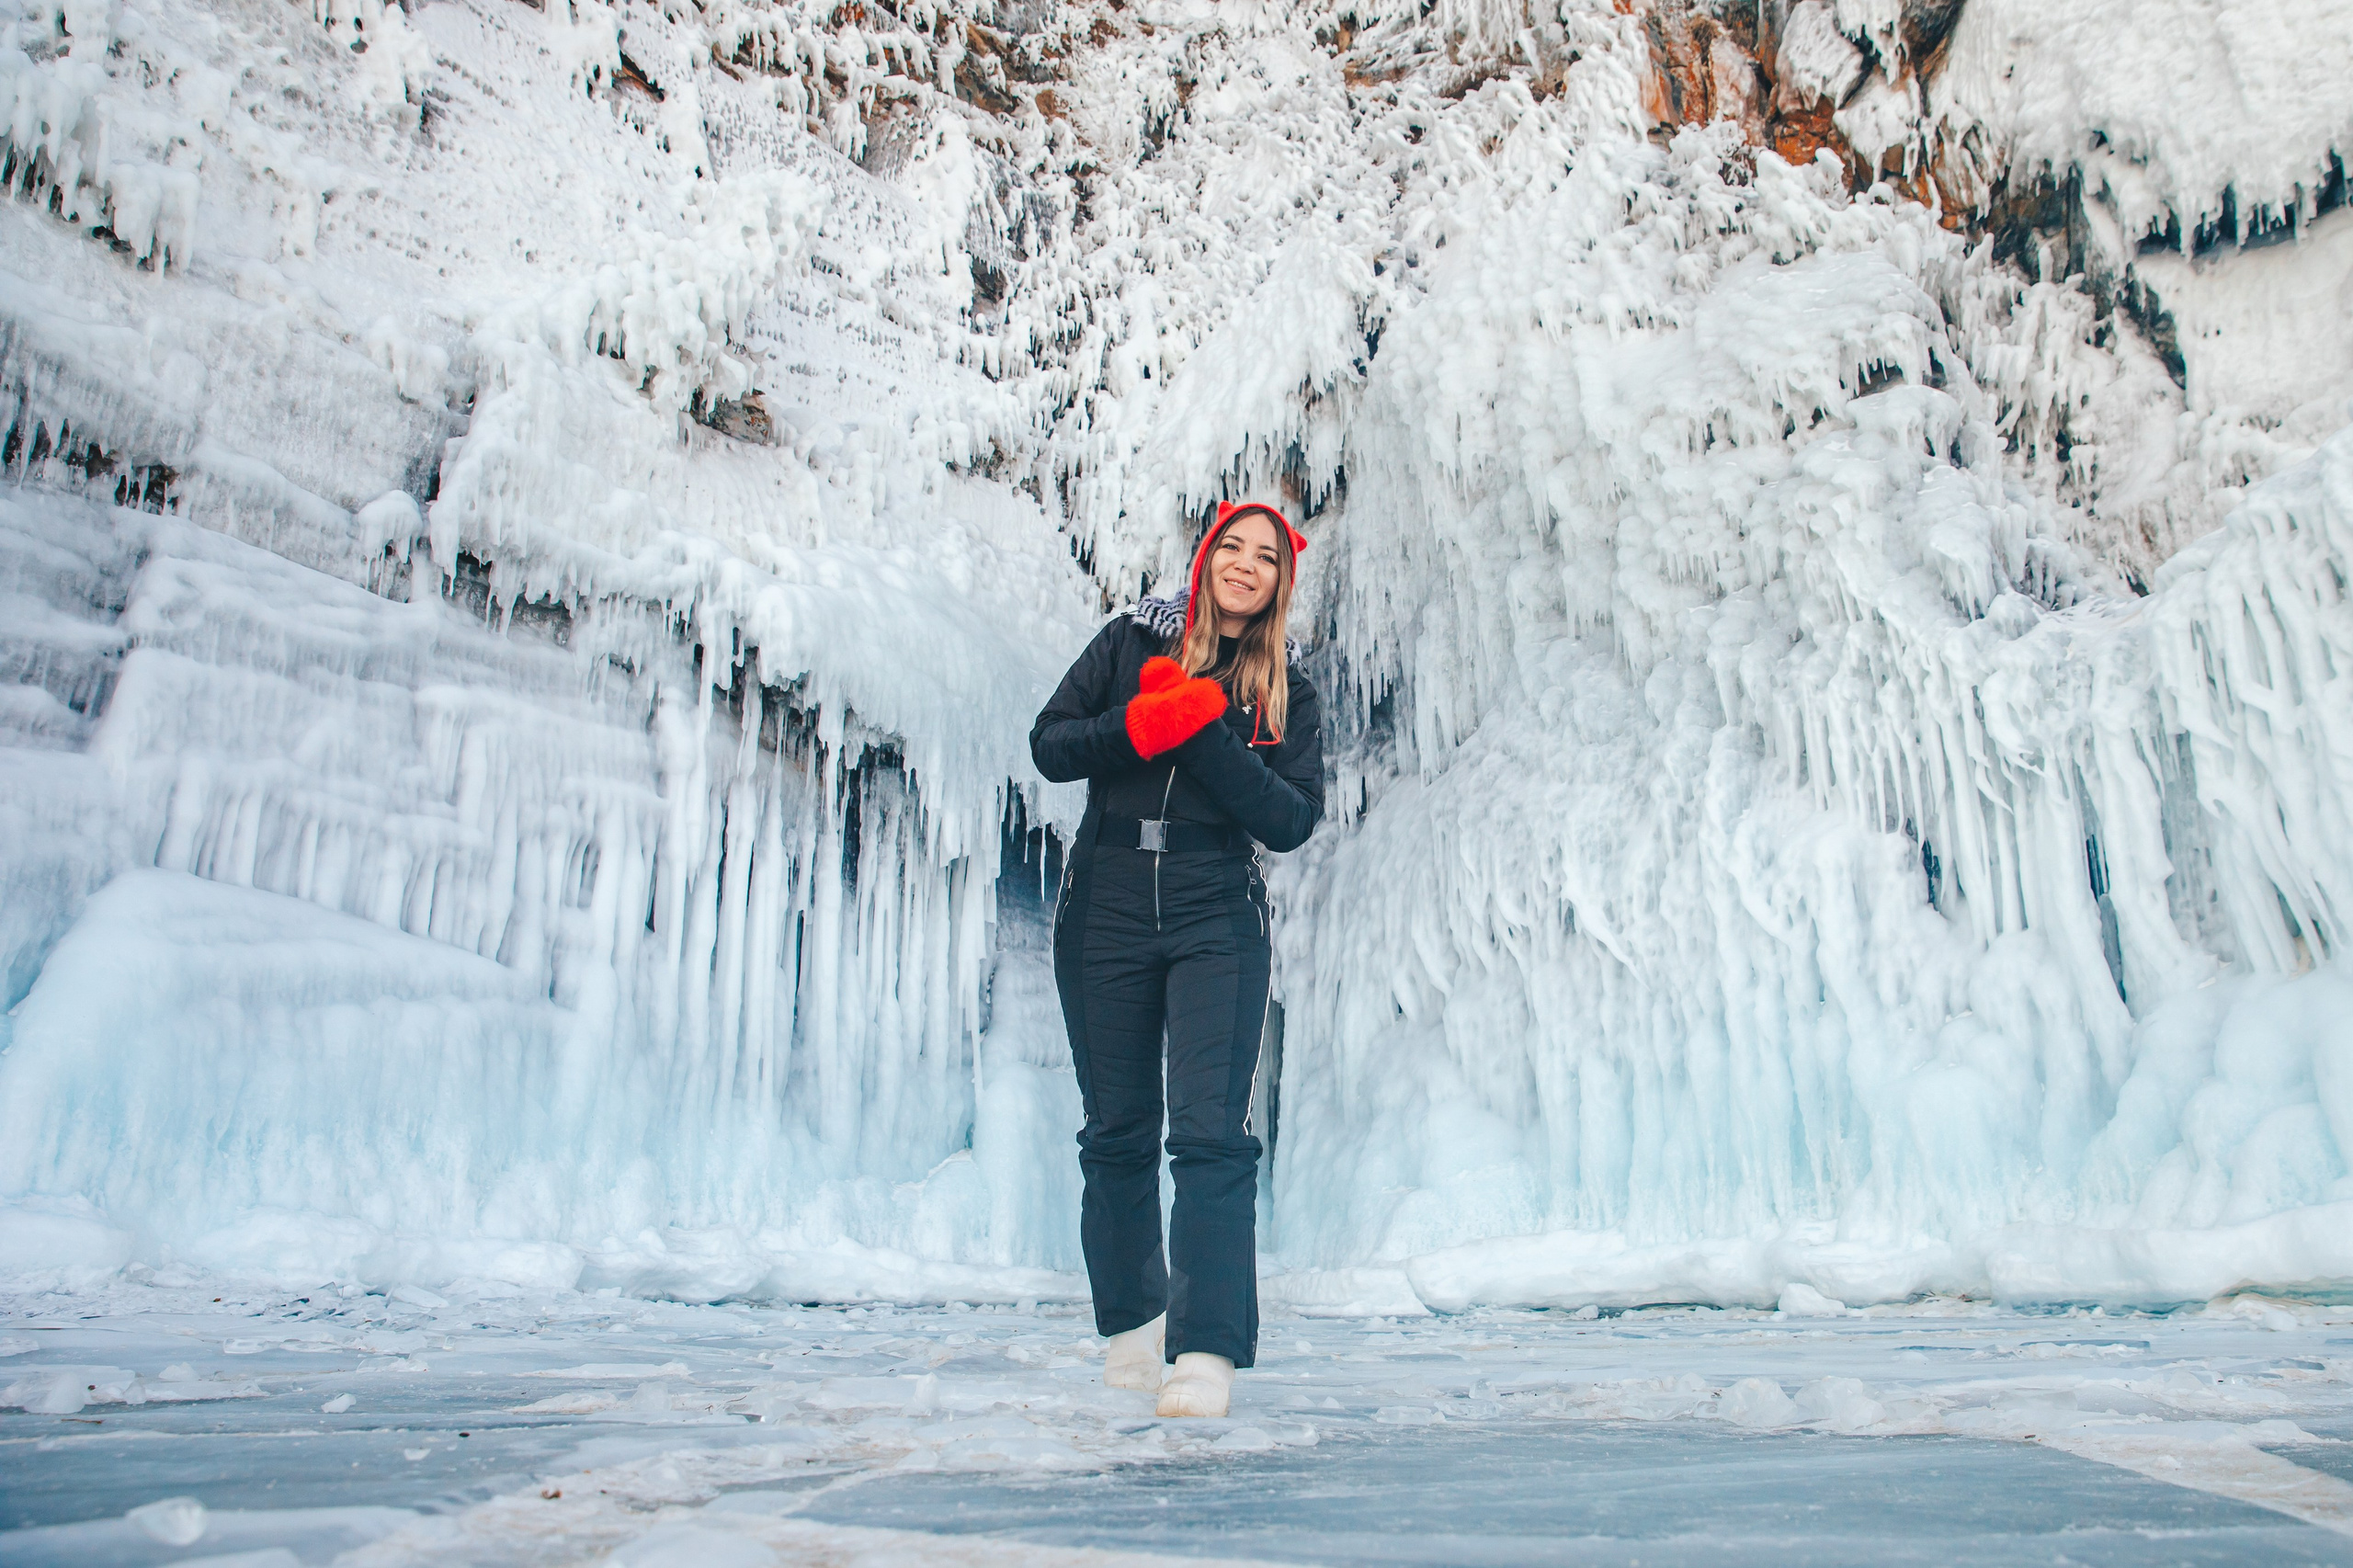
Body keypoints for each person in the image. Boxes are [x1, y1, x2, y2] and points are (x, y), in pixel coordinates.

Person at [1029, 501, 1324, 1419]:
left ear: (1279, 581)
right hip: (1106, 899)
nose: (1244, 564)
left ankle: (1205, 1353)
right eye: (1230, 546)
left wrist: (1203, 734)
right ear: (1203, 559)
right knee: (1115, 1129)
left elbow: (1288, 819)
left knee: (1210, 1134)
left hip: (1213, 909)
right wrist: (1141, 724)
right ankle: (1132, 1328)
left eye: (1264, 556)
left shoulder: (1289, 689)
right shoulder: (1126, 643)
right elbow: (1050, 745)